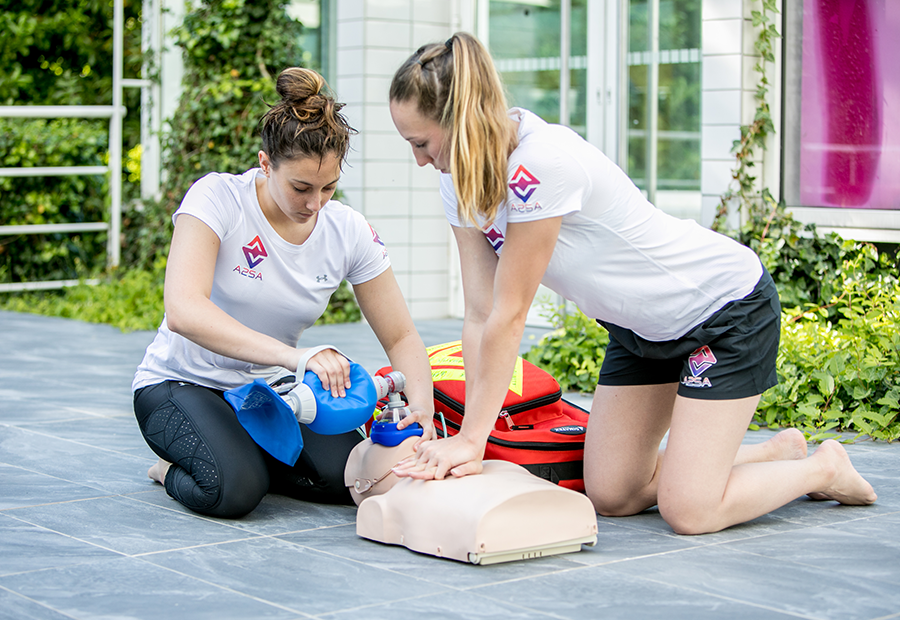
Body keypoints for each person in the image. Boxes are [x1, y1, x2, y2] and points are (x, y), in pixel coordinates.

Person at [387, 33, 876, 535]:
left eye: (421, 143)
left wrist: (471, 440)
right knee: (614, 493)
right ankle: (775, 454)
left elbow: (509, 316)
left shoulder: (540, 164)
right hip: (640, 331)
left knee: (689, 512)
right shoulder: (459, 180)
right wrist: (470, 433)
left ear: (461, 121)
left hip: (723, 311)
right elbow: (479, 313)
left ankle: (824, 468)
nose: (420, 161)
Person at [132, 67, 434, 519]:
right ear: (265, 163)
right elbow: (183, 310)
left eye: (329, 187)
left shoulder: (346, 229)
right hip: (181, 382)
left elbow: (401, 337)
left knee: (350, 477)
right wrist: (298, 358)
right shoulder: (217, 198)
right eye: (301, 188)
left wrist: (423, 411)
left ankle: (239, 450)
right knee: (233, 491)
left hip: (271, 393)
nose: (315, 204)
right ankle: (176, 466)